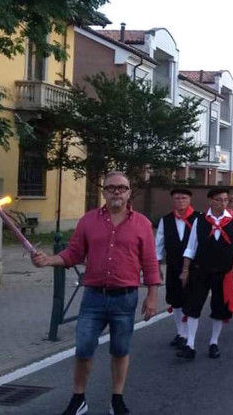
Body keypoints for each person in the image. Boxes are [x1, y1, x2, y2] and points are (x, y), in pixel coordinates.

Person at [31, 171, 159, 415]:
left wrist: (152, 297)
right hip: (93, 298)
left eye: (122, 188)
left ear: (129, 192)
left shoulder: (142, 223)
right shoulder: (88, 221)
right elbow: (73, 254)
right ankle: (79, 398)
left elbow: (150, 262)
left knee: (120, 349)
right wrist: (48, 260)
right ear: (104, 192)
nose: (116, 192)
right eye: (111, 188)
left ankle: (117, 399)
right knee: (83, 349)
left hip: (125, 297)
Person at [176, 187, 233, 360]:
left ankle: (214, 342)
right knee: (193, 306)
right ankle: (190, 344)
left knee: (220, 308)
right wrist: (185, 270)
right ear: (211, 200)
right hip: (200, 269)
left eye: (226, 200)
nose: (223, 203)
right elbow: (191, 247)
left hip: (224, 272)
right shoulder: (200, 220)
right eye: (219, 200)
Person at [155, 188, 203, 349]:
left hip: (194, 267)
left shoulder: (199, 218)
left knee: (191, 299)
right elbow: (159, 244)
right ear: (172, 201)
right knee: (175, 300)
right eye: (177, 198)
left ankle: (190, 337)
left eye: (183, 198)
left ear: (189, 200)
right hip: (174, 265)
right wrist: (157, 265)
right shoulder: (166, 220)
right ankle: (180, 333)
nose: (180, 201)